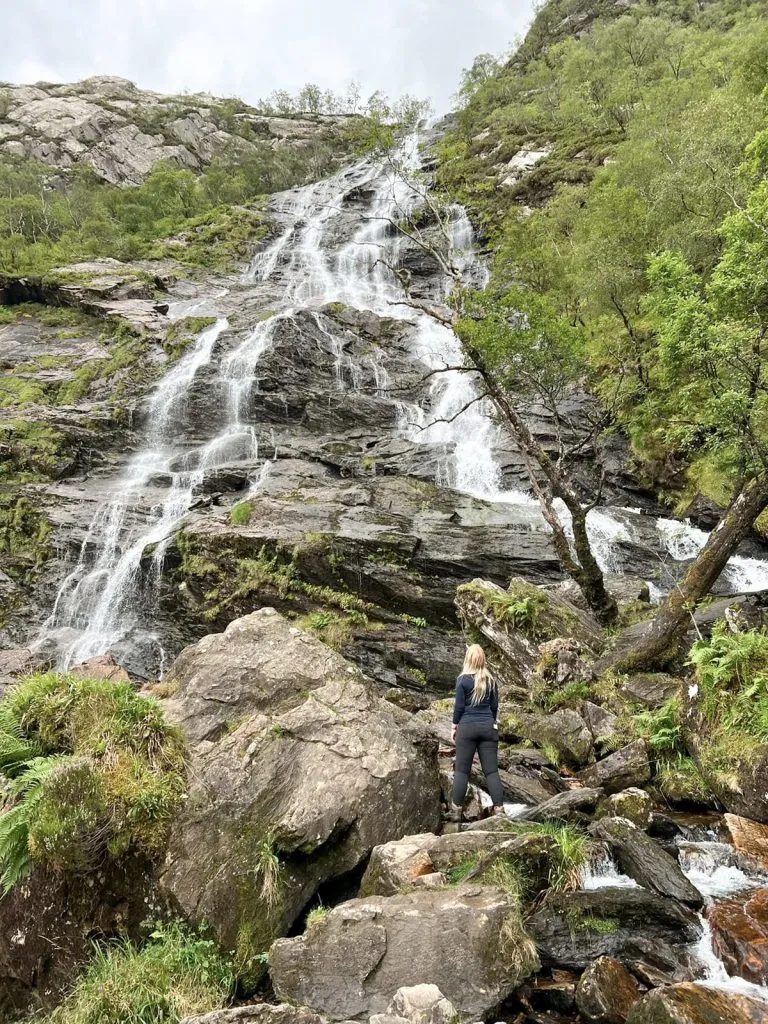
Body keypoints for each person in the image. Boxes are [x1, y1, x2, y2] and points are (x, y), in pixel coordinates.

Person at [447, 643, 504, 821]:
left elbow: (459, 707)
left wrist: (454, 727)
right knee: (491, 772)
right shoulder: (491, 681)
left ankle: (456, 812)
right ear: (483, 660)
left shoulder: (462, 680)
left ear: (468, 659)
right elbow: (494, 707)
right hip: (488, 727)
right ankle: (500, 811)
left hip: (467, 728)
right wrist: (489, 722)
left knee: (462, 771)